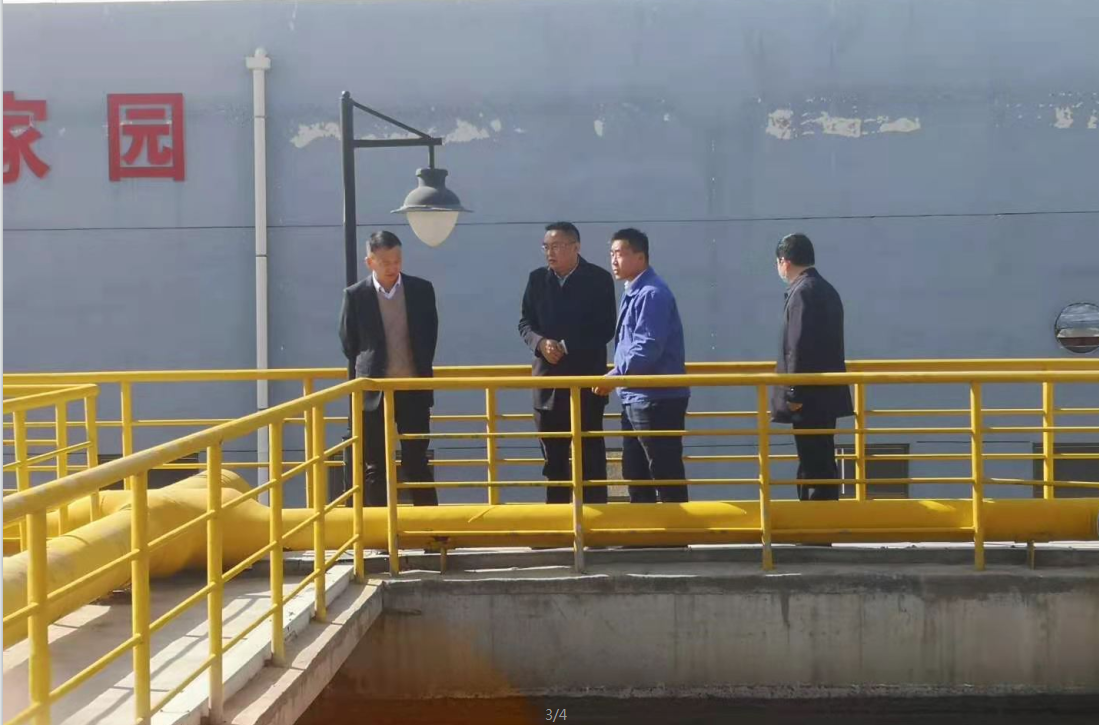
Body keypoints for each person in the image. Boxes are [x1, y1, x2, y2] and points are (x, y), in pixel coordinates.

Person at [339, 230, 439, 507]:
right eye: (385, 262)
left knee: (416, 461)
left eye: (397, 261)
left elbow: (429, 336)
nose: (393, 267)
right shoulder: (355, 296)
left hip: (414, 389)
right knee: (375, 465)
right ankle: (379, 527)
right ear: (370, 262)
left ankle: (429, 525)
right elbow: (348, 342)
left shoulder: (421, 290)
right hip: (373, 392)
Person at [519, 222, 617, 504]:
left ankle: (596, 520)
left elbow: (605, 328)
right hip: (547, 384)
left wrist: (564, 345)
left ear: (576, 247)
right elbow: (525, 323)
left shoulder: (598, 279)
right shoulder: (537, 279)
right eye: (546, 247)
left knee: (590, 458)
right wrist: (540, 343)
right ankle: (557, 520)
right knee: (554, 462)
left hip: (586, 383)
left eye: (557, 246)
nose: (550, 253)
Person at [593, 228, 690, 504]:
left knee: (663, 471)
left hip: (655, 398)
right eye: (611, 254)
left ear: (640, 257)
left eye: (620, 254)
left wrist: (615, 374)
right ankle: (646, 527)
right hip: (637, 395)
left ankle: (676, 527)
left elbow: (647, 347)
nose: (614, 260)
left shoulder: (651, 294)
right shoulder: (635, 291)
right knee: (636, 472)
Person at [771, 233, 854, 501]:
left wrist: (793, 393)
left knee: (812, 462)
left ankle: (816, 519)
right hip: (825, 392)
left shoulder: (802, 293)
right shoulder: (825, 289)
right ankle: (822, 516)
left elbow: (797, 346)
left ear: (785, 261)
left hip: (807, 397)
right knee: (821, 458)